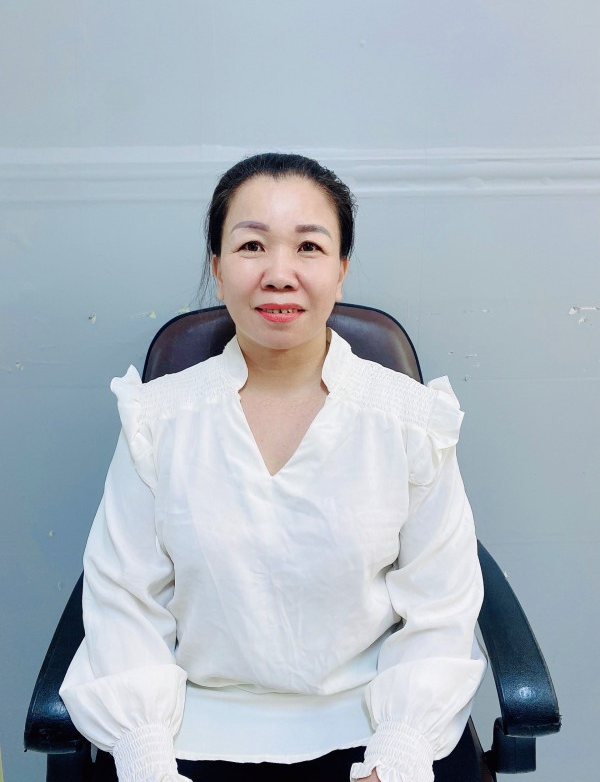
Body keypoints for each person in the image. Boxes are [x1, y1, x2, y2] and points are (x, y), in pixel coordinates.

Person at [60, 153, 486, 782]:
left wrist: (399, 753)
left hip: (371, 723)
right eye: (252, 245)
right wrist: (147, 755)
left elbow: (441, 604)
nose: (279, 274)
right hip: (189, 728)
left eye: (309, 247)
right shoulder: (158, 421)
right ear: (217, 268)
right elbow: (123, 599)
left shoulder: (410, 422)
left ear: (340, 270)